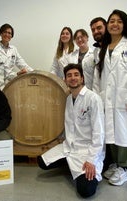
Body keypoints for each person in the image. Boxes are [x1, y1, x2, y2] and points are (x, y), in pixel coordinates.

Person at [93, 9, 127, 186]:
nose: (114, 24)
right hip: (106, 98)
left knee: (124, 133)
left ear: (125, 25)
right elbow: (98, 77)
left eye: (119, 21)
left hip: (124, 99)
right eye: (112, 21)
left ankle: (125, 168)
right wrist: (97, 98)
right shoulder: (103, 49)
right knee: (111, 133)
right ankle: (115, 164)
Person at [37, 63, 105, 198]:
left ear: (82, 78)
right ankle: (70, 163)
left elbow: (99, 132)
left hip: (87, 150)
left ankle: (99, 165)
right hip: (70, 146)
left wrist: (91, 160)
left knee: (86, 191)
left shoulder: (93, 99)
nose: (73, 78)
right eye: (69, 75)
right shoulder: (69, 99)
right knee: (41, 162)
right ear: (65, 80)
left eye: (76, 75)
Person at [90, 17, 113, 172]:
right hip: (100, 96)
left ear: (106, 27)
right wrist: (96, 98)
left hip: (114, 98)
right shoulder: (97, 50)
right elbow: (97, 77)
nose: (96, 31)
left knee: (115, 133)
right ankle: (109, 163)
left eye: (99, 28)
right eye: (93, 29)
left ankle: (122, 167)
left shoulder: (116, 47)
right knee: (104, 132)